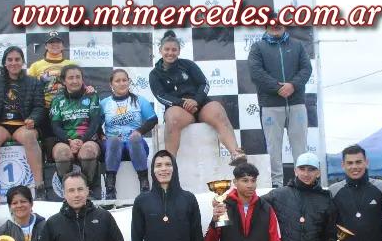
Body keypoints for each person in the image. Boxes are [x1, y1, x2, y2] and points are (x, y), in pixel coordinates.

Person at [149, 30, 245, 163]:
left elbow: (204, 83)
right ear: (160, 50)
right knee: (172, 117)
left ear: (179, 51)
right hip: (179, 110)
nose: (170, 53)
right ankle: (170, 163)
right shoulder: (155, 74)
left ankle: (236, 154)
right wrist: (183, 103)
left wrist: (195, 101)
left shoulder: (188, 64)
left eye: (174, 50)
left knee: (217, 109)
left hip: (200, 105)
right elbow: (161, 96)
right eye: (167, 49)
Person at [247, 12, 312, 187]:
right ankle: (276, 184)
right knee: (273, 148)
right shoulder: (257, 47)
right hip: (270, 105)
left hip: (296, 103)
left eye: (279, 23)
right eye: (272, 24)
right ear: (266, 26)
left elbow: (306, 69)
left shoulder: (297, 45)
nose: (276, 26)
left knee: (300, 147)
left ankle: (303, 182)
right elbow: (256, 72)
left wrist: (292, 85)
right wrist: (278, 88)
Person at [205, 162, 282, 241]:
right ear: (235, 182)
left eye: (253, 180)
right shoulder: (224, 207)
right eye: (245, 180)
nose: (250, 185)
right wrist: (214, 221)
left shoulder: (266, 208)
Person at [0, 45, 46, 199]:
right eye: (10, 60)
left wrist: (33, 119)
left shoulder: (34, 82)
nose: (13, 63)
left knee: (30, 138)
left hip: (22, 125)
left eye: (17, 59)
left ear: (23, 62)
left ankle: (39, 186)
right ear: (4, 63)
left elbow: (39, 107)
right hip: (0, 125)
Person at [101, 68, 158, 197]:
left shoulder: (139, 100)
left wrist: (139, 131)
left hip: (136, 147)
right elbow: (95, 123)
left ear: (129, 82)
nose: (122, 83)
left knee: (135, 139)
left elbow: (153, 119)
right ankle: (110, 187)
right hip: (113, 149)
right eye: (118, 81)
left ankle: (144, 183)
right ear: (111, 84)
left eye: (124, 80)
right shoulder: (105, 103)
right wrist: (101, 134)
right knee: (114, 140)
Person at [49, 65, 103, 190]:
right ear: (64, 81)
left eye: (78, 77)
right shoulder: (57, 99)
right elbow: (55, 126)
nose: (75, 81)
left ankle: (88, 189)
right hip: (64, 140)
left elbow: (95, 123)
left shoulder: (92, 96)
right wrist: (69, 141)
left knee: (88, 151)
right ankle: (67, 190)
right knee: (62, 154)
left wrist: (82, 140)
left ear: (82, 79)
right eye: (71, 78)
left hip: (88, 139)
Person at [26, 31, 77, 145]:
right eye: (51, 42)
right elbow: (28, 89)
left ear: (63, 46)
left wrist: (88, 89)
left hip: (67, 107)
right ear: (45, 46)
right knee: (48, 138)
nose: (55, 45)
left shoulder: (71, 64)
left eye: (58, 42)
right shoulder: (35, 66)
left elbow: (80, 84)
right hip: (44, 108)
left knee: (68, 137)